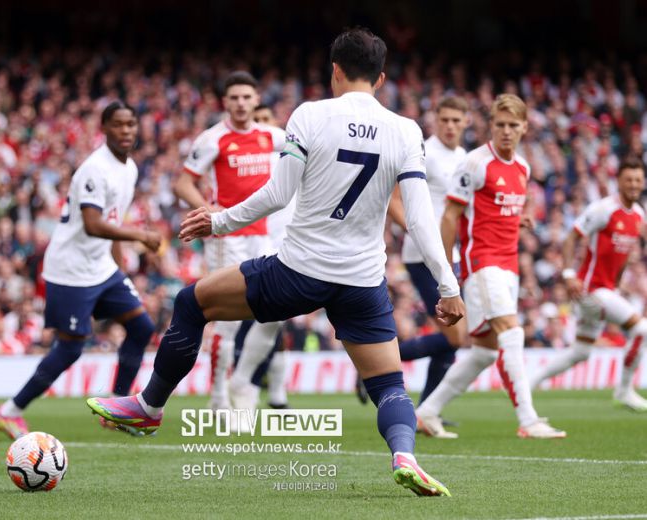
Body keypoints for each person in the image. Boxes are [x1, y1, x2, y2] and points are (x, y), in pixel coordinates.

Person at [89, 27, 465, 497]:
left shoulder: (309, 115)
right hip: (362, 281)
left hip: (298, 272)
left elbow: (278, 193)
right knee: (389, 383)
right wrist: (449, 287)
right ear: (381, 78)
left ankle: (149, 407)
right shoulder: (406, 130)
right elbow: (421, 221)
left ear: (335, 71)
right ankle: (404, 456)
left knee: (191, 303)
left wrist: (219, 221)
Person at [0, 102, 162, 439]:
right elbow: (94, 224)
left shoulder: (129, 169)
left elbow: (112, 221)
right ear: (104, 128)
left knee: (142, 327)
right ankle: (9, 411)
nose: (126, 130)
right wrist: (140, 235)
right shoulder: (94, 169)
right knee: (70, 348)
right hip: (70, 270)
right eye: (118, 124)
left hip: (101, 267)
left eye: (131, 124)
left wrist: (119, 264)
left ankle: (117, 408)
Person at [415, 94, 567, 439]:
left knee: (483, 353)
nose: (506, 131)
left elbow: (502, 208)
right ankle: (528, 420)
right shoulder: (474, 163)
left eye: (513, 125)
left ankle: (426, 412)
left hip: (509, 266)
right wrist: (446, 271)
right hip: (482, 264)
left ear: (525, 127)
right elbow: (450, 217)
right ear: (490, 126)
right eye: (500, 125)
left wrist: (520, 218)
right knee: (512, 332)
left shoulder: (523, 167)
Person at [173, 72, 285, 411]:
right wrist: (208, 211)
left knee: (278, 309)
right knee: (228, 319)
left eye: (246, 97)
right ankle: (218, 396)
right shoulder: (213, 139)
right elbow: (183, 183)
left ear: (256, 100)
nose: (240, 103)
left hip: (262, 235)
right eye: (234, 97)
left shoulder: (272, 136)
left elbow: (308, 154)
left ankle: (243, 379)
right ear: (225, 102)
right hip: (227, 237)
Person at [529, 157, 647, 411]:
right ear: (619, 181)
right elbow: (571, 238)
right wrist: (569, 274)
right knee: (642, 329)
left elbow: (624, 254)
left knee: (581, 352)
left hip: (605, 291)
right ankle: (624, 391)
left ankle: (529, 383)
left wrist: (617, 284)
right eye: (629, 179)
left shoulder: (638, 215)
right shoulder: (604, 209)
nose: (634, 184)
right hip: (591, 290)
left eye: (638, 180)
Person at [379, 97, 470, 409]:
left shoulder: (463, 157)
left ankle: (428, 411)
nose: (450, 126)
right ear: (435, 120)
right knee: (456, 335)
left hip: (450, 256)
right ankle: (376, 363)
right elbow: (394, 200)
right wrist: (418, 232)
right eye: (444, 119)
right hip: (422, 256)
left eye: (456, 120)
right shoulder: (424, 151)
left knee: (451, 340)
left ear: (466, 122)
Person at [230, 104, 294, 416]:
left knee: (274, 321)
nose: (264, 128)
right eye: (259, 121)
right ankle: (240, 388)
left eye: (269, 121)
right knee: (250, 322)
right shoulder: (249, 164)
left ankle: (256, 388)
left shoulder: (292, 157)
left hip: (287, 248)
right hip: (255, 247)